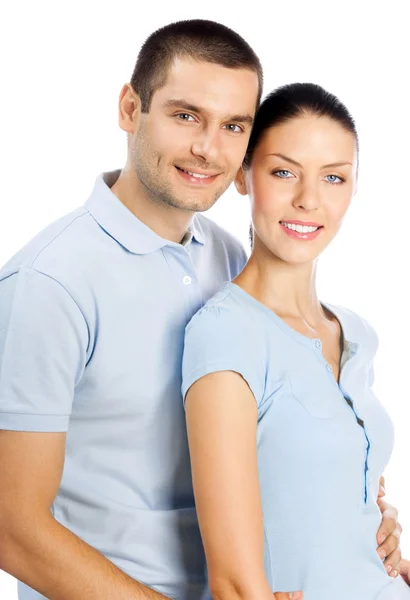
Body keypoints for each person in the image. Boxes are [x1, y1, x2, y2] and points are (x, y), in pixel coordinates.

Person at [0, 20, 401, 600]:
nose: (207, 148)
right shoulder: (49, 284)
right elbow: (14, 527)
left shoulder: (227, 257)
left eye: (233, 126)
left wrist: (368, 519)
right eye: (186, 116)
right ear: (129, 107)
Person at [182, 83, 410, 600]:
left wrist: (390, 545)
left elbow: (336, 507)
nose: (309, 199)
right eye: (283, 171)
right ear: (244, 175)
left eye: (334, 177)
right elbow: (235, 584)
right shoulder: (225, 334)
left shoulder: (356, 333)